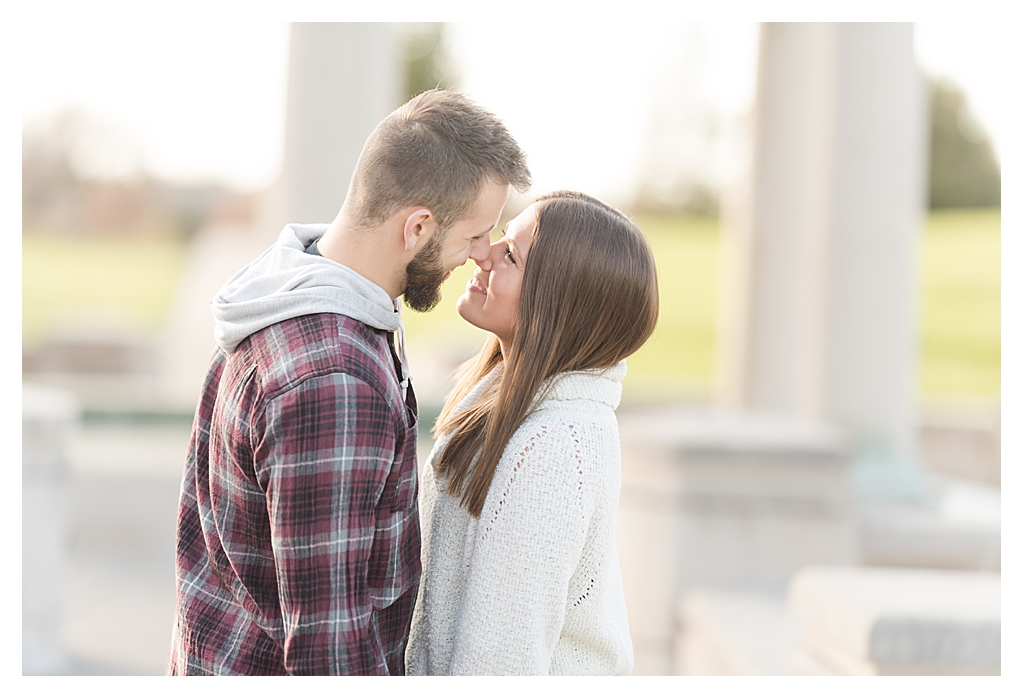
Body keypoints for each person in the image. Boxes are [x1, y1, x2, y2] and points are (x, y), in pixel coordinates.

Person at [167, 89, 531, 676]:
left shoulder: (277, 297)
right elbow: (329, 651)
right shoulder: (335, 379)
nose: (481, 254)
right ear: (417, 227)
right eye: (474, 235)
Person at [405, 190, 659, 675]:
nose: (483, 254)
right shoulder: (509, 403)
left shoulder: (551, 450)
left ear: (555, 303)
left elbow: (499, 664)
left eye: (511, 255)